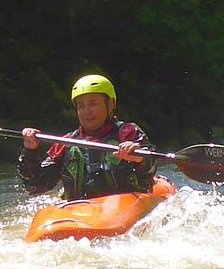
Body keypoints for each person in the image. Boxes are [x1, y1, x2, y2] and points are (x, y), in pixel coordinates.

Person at [18, 73, 158, 200]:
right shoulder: (65, 143)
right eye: (81, 106)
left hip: (124, 205)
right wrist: (30, 151)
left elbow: (150, 167)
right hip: (81, 213)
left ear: (110, 104)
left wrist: (138, 157)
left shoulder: (128, 133)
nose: (86, 111)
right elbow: (35, 186)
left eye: (93, 104)